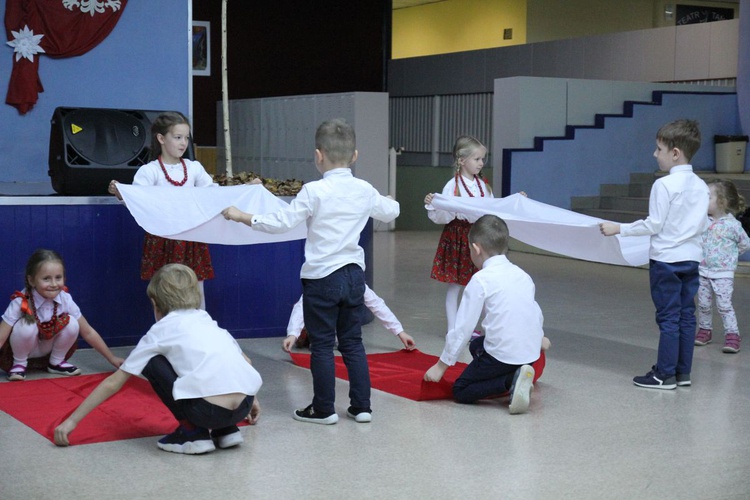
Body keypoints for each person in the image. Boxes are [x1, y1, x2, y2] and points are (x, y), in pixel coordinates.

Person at [222, 118, 399, 425]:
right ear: (354, 155)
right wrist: (386, 201)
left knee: (321, 345)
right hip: (354, 277)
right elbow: (391, 211)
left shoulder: (313, 191)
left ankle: (324, 408)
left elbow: (281, 222)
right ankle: (361, 407)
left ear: (318, 155)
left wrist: (242, 216)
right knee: (353, 343)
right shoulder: (364, 189)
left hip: (322, 279)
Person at [53, 264, 262, 454]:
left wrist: (71, 421)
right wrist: (250, 400)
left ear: (155, 303)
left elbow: (114, 383)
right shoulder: (207, 320)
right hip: (243, 406)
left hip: (207, 412)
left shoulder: (158, 331)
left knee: (151, 362)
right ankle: (226, 431)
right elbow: (245, 363)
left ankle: (192, 433)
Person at [600, 118, 709, 390]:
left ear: (675, 153)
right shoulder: (701, 186)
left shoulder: (663, 185)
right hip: (691, 259)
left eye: (658, 149)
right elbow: (702, 225)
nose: (654, 154)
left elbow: (654, 224)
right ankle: (683, 373)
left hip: (666, 262)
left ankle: (663, 375)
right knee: (686, 315)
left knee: (668, 318)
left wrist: (619, 228)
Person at [423, 215, 544, 414]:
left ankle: (509, 381)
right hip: (529, 354)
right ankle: (519, 373)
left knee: (461, 390)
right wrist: (540, 338)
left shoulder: (481, 280)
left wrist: (441, 366)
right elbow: (534, 312)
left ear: (476, 248)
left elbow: (463, 328)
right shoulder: (523, 275)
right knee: (478, 345)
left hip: (502, 357)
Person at [108, 111, 221, 309]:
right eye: (177, 137)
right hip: (162, 240)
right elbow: (138, 200)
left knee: (196, 288)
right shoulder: (150, 171)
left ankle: (197, 333)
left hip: (192, 238)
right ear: (161, 138)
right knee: (164, 290)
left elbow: (213, 194)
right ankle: (166, 333)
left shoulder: (194, 168)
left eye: (186, 138)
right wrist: (121, 193)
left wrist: (245, 189)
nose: (183, 143)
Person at [0, 249, 124, 381]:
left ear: (64, 278)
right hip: (21, 351)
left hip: (46, 351)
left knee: (72, 323)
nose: (53, 284)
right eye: (46, 279)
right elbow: (1, 336)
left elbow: (88, 332)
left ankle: (56, 362)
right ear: (31, 280)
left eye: (58, 278)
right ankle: (19, 364)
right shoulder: (21, 301)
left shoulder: (65, 299)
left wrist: (111, 358)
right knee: (26, 325)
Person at [424, 136, 494, 336]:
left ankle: (479, 327)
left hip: (478, 237)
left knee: (480, 284)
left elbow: (492, 207)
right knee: (455, 286)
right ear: (462, 160)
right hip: (458, 238)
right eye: (477, 159)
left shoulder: (483, 185)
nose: (481, 163)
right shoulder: (452, 185)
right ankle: (453, 330)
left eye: (482, 159)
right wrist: (434, 202)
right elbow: (444, 212)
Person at [695, 179, 750, 353]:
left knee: (724, 305)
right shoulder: (703, 221)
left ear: (722, 202)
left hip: (723, 273)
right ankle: (705, 330)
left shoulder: (733, 225)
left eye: (708, 197)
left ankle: (732, 334)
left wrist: (730, 257)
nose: (704, 200)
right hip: (703, 271)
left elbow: (745, 244)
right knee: (703, 304)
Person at [283, 285, 416, 352]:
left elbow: (377, 305)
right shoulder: (320, 281)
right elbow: (301, 307)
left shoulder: (355, 283)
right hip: (322, 328)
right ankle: (315, 336)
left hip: (344, 331)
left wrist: (400, 332)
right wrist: (293, 334)